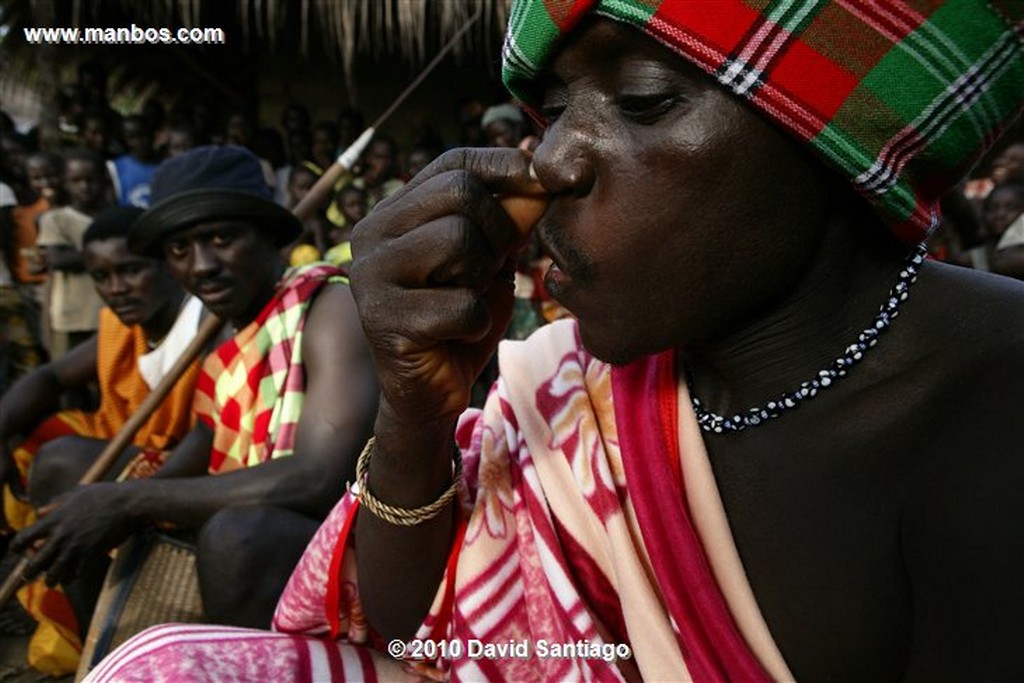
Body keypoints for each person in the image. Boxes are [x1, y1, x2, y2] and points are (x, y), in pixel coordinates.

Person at [84, 2, 1024, 682]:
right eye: (554, 113)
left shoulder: (992, 400)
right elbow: (421, 641)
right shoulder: (570, 387)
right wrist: (415, 411)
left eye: (645, 98)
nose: (553, 162)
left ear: (843, 142)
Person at [12, 146, 377, 645]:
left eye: (221, 238)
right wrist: (107, 505)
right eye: (179, 250)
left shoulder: (330, 307)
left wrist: (131, 500)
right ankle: (105, 651)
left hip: (342, 536)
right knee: (63, 466)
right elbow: (209, 433)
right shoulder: (226, 325)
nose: (201, 266)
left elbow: (316, 477)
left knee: (237, 536)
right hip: (249, 506)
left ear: (269, 236)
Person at [0, 205, 203, 675]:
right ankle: (38, 596)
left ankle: (96, 627)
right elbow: (51, 376)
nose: (116, 288)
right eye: (102, 276)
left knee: (57, 462)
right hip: (124, 447)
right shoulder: (119, 324)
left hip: (181, 470)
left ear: (169, 267)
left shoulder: (201, 324)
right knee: (29, 437)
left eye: (131, 270)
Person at [36, 148, 110, 362]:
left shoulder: (113, 216)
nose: (84, 187)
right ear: (65, 183)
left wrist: (76, 256)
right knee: (69, 377)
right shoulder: (56, 220)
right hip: (70, 314)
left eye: (90, 180)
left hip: (107, 313)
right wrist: (107, 254)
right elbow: (58, 260)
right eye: (76, 181)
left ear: (103, 180)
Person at [107, 115, 160, 208]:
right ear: (126, 140)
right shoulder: (115, 169)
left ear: (153, 135)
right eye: (133, 137)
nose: (141, 141)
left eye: (144, 134)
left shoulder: (168, 166)